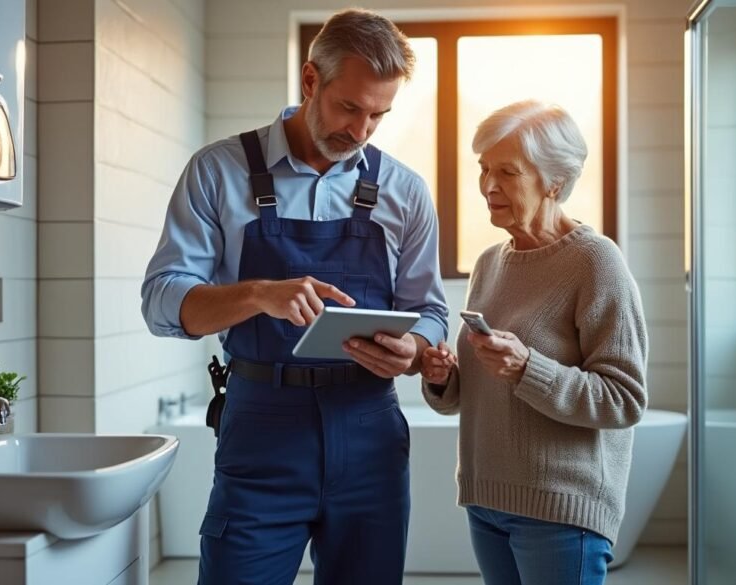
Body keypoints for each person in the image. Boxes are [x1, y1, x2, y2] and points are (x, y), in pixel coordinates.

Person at [141, 8, 447, 585]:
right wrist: (258, 294)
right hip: (261, 429)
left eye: (378, 115)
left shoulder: (405, 191)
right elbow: (161, 299)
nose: (361, 131)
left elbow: (429, 311)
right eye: (349, 107)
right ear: (311, 80)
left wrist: (414, 350)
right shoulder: (217, 172)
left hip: (370, 432)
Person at [420, 100, 648, 585]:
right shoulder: (490, 262)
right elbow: (476, 392)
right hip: (486, 501)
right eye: (483, 168)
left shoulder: (595, 262)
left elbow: (624, 400)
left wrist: (528, 367)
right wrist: (444, 379)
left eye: (507, 172)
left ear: (555, 182)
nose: (488, 185)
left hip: (560, 512)